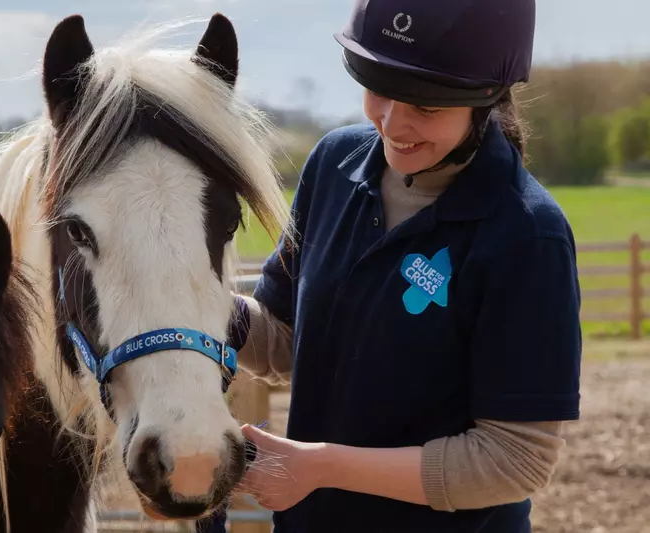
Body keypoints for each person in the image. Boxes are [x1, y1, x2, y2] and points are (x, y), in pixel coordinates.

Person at [227, 0, 583, 532]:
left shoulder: (528, 236)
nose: (393, 123)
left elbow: (514, 460)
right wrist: (197, 305)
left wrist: (321, 467)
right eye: (379, 92)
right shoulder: (332, 166)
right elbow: (286, 342)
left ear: (485, 101)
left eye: (427, 108)